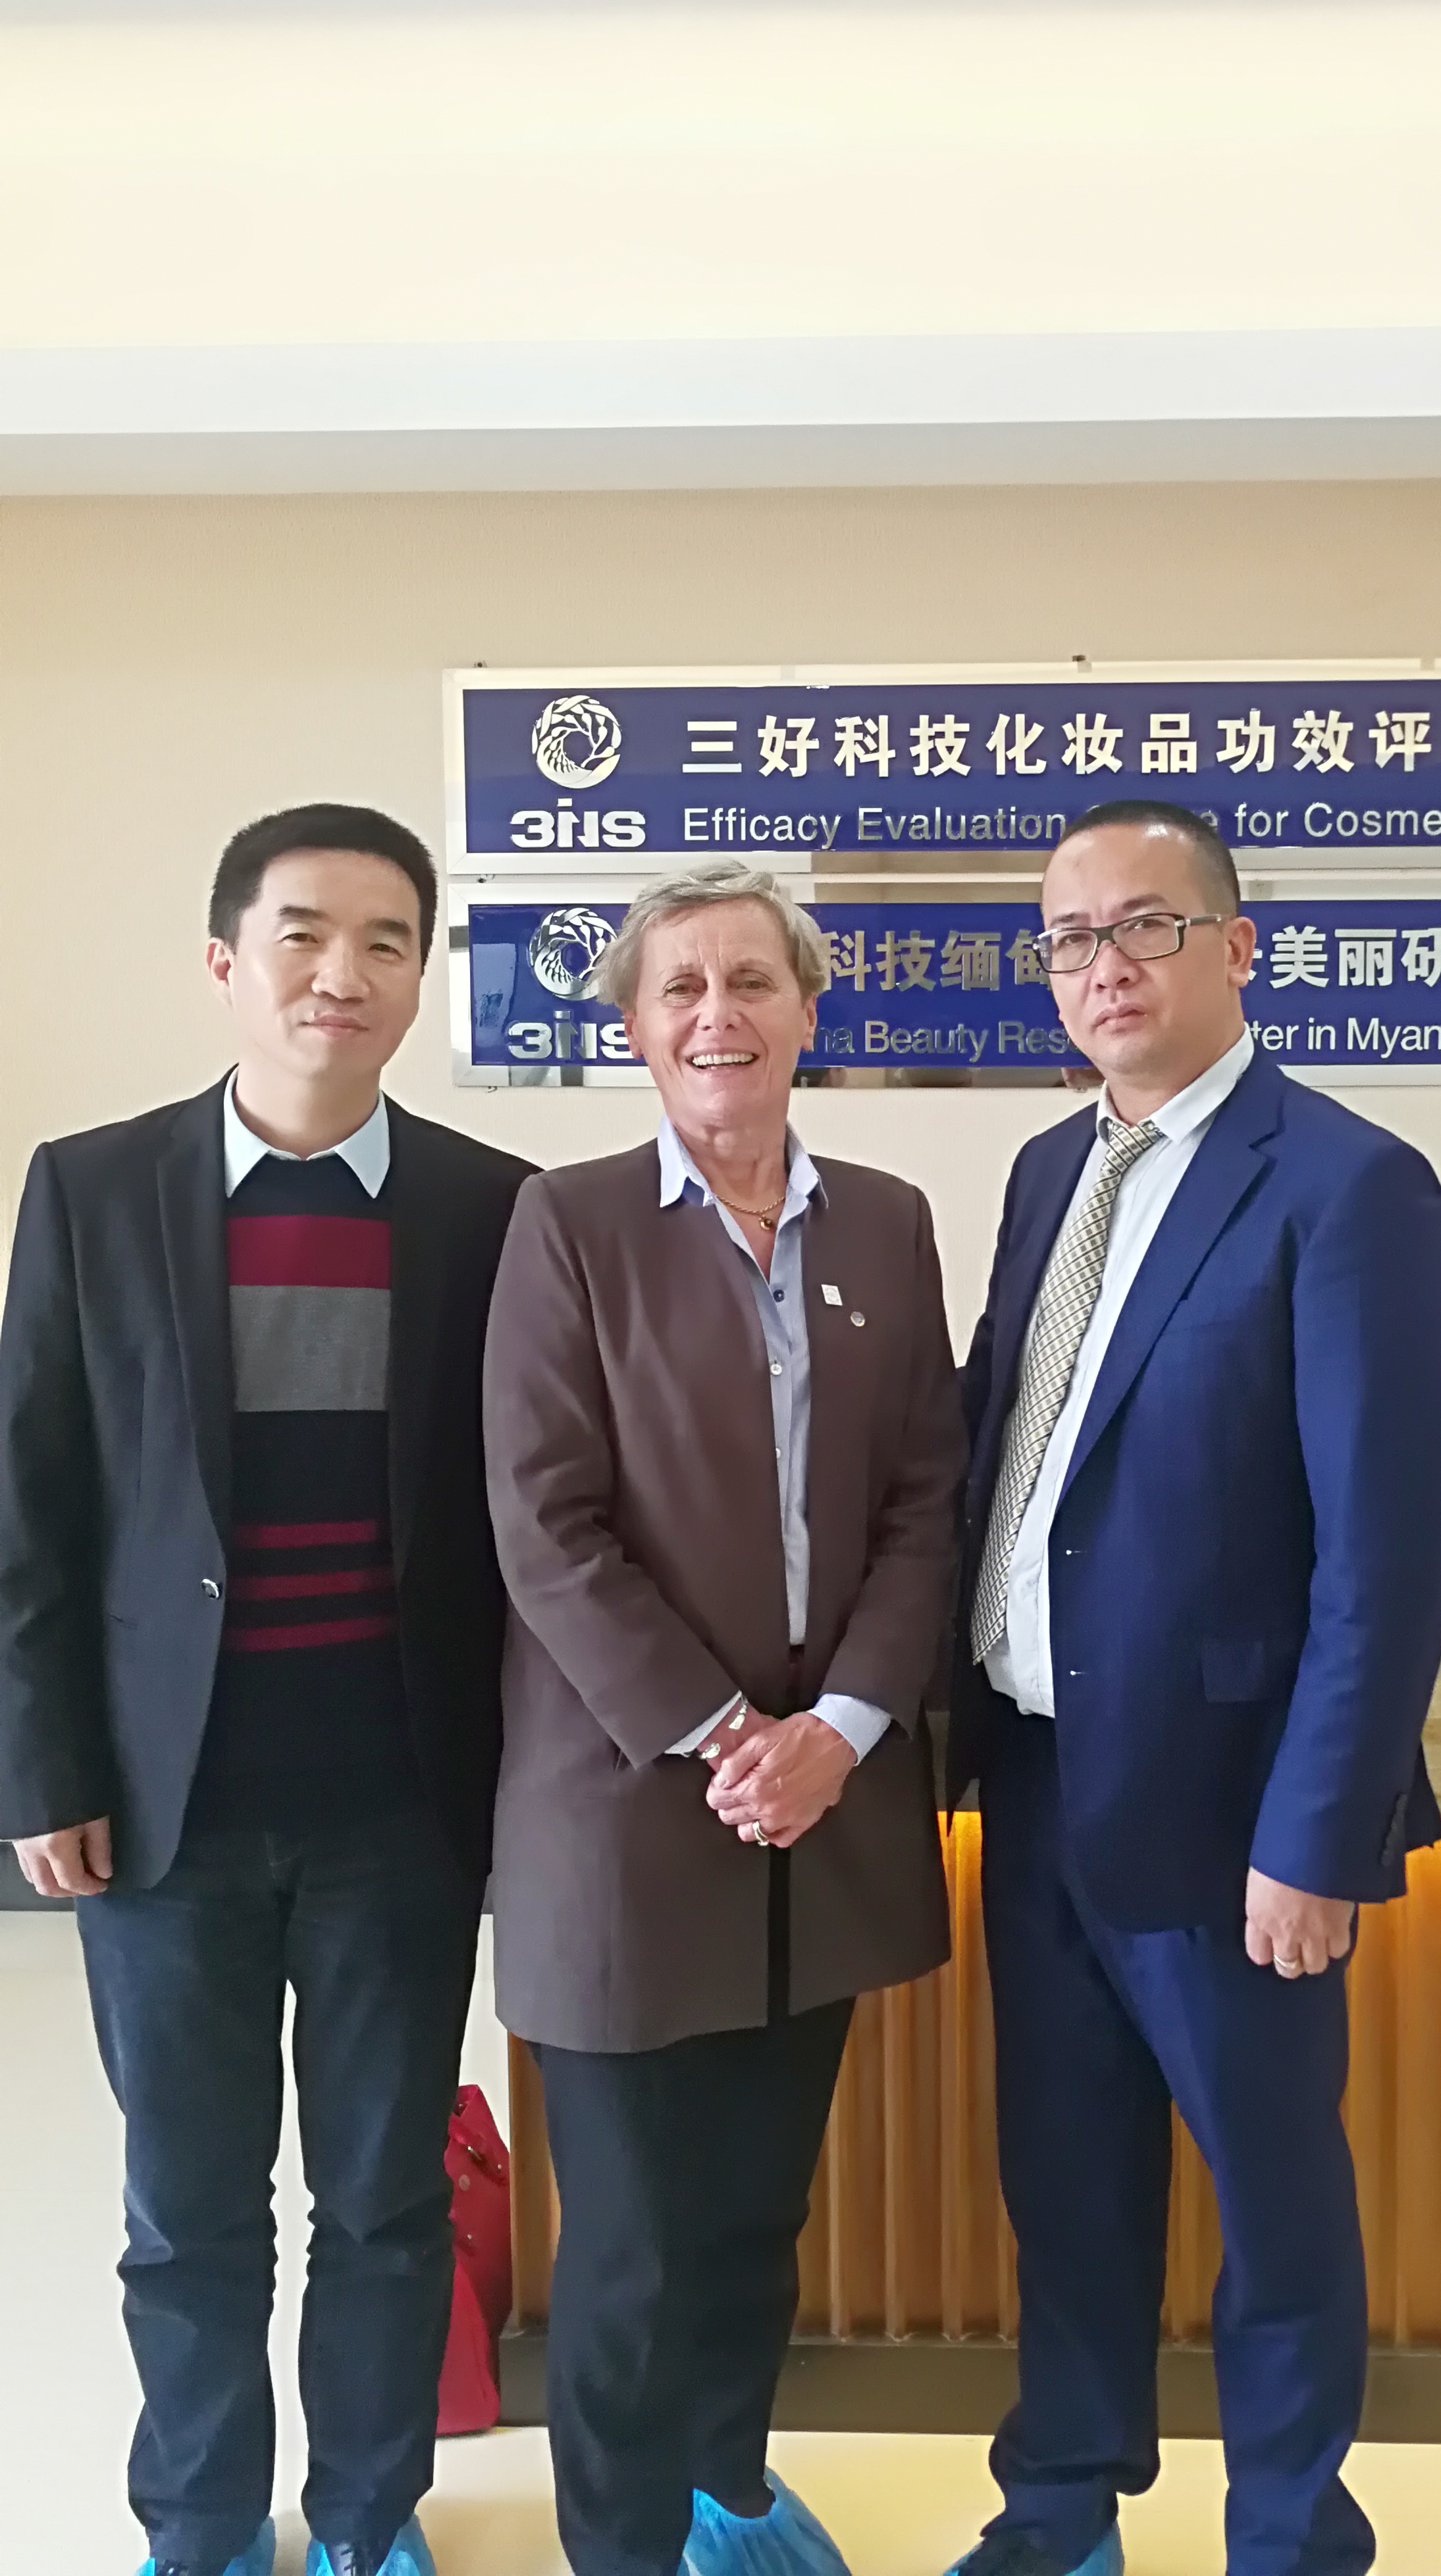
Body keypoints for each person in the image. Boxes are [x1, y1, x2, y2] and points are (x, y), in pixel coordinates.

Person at [0, 805, 533, 2576]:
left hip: (400, 1803)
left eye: (387, 941)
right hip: (167, 1812)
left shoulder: (489, 1208)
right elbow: (33, 1505)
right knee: (189, 2211)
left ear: (422, 980)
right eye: (302, 933)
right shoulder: (93, 1189)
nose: (341, 973)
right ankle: (204, 2526)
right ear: (227, 962)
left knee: (384, 2203)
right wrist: (40, 1769)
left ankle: (371, 2520)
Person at [947, 801, 1441, 2576]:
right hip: (1038, 1782)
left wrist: (1319, 1836)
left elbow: (1386, 1554)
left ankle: (1294, 2537)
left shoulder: (1347, 1184)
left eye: (1145, 927)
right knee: (1065, 2184)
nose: (1103, 966)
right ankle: (1060, 2516)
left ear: (1236, 947)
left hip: (1235, 1807)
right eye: (1070, 940)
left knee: (1273, 2200)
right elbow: (1016, 1454)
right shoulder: (1049, 1172)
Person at [482, 861, 964, 2576]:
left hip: (822, 1816)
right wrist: (725, 1734)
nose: (717, 1015)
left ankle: (725, 2499)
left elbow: (927, 1504)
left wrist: (839, 1728)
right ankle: (620, 2551)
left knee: (759, 2215)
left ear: (808, 1011)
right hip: (628, 1815)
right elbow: (545, 1523)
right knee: (628, 2246)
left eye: (752, 980)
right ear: (634, 1025)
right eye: (679, 987)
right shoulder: (570, 1223)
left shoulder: (889, 1224)